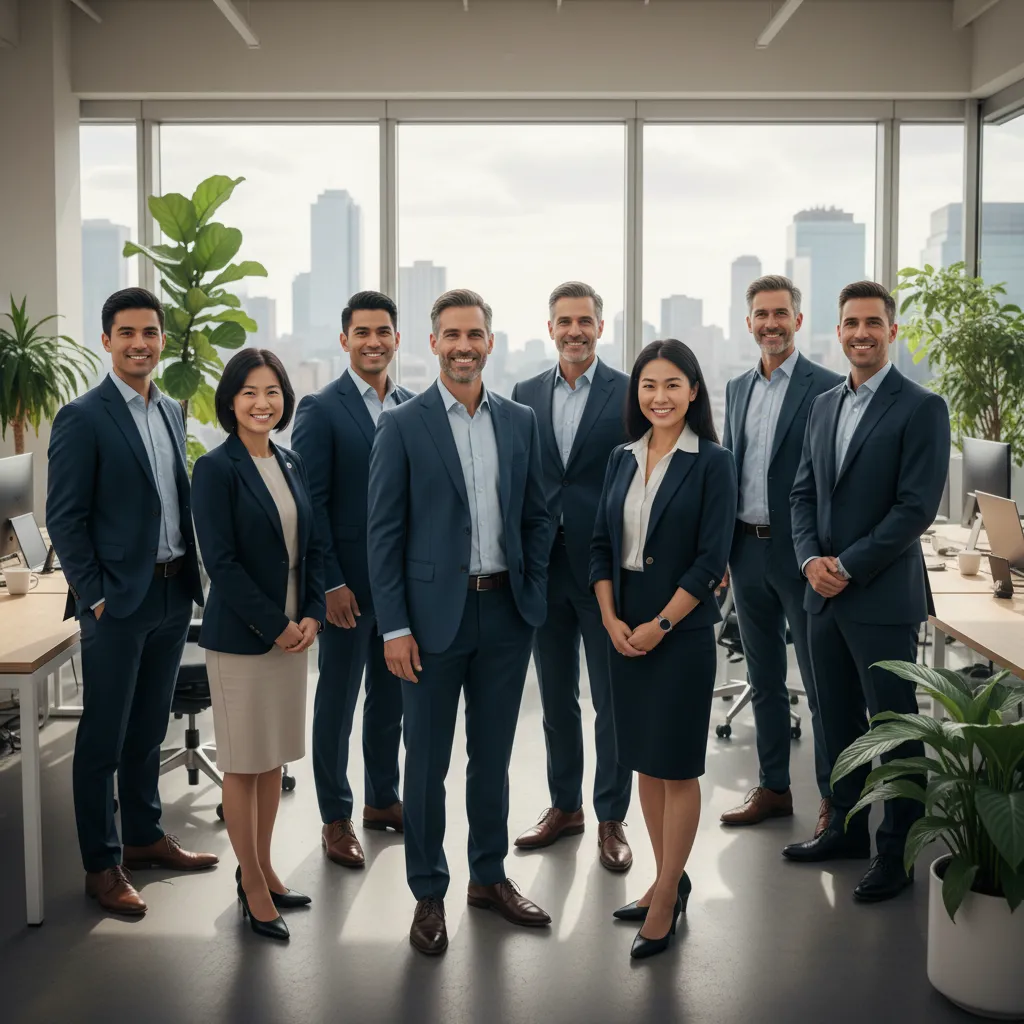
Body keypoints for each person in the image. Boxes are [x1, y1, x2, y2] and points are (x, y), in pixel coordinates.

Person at [368, 288, 553, 956]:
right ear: (434, 343)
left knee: (493, 758)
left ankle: (489, 876)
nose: (464, 346)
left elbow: (538, 512)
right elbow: (382, 535)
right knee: (426, 765)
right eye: (451, 335)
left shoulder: (520, 421)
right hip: (427, 622)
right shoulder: (403, 424)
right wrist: (393, 627)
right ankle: (427, 892)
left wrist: (531, 585)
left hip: (506, 613)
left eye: (474, 335)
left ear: (491, 343)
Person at [46, 287, 217, 918]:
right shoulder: (83, 417)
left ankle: (144, 836)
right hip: (117, 602)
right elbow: (64, 518)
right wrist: (93, 597)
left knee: (149, 728)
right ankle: (102, 863)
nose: (139, 343)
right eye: (127, 333)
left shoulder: (171, 409)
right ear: (107, 340)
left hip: (173, 593)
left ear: (162, 340)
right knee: (103, 737)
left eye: (149, 332)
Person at [783, 281, 950, 904]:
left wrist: (846, 566)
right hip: (821, 596)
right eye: (850, 322)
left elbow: (915, 509)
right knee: (836, 720)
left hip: (880, 598)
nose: (860, 333)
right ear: (838, 329)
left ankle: (897, 853)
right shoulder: (824, 405)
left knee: (896, 728)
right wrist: (807, 561)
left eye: (872, 323)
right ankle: (846, 830)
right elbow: (802, 494)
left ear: (892, 331)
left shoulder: (920, 407)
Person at [591, 339, 736, 960]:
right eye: (649, 385)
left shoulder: (713, 463)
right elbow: (600, 545)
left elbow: (710, 561)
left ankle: (667, 893)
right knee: (645, 763)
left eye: (673, 385)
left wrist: (659, 626)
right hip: (623, 633)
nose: (660, 397)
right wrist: (611, 620)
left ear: (694, 391)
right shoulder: (620, 459)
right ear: (637, 394)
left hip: (679, 636)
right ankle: (663, 879)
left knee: (677, 766)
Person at [191, 348, 325, 940]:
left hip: (294, 636)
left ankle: (266, 867)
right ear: (231, 400)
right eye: (249, 392)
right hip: (244, 640)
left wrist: (313, 614)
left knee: (272, 760)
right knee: (243, 766)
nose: (261, 403)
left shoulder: (290, 461)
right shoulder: (216, 468)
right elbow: (220, 561)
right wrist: (277, 625)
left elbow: (311, 550)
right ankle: (248, 884)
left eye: (271, 392)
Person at [511, 281, 633, 871]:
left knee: (612, 701)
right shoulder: (523, 393)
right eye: (564, 321)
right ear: (550, 326)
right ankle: (566, 806)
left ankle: (612, 816)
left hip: (605, 570)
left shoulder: (631, 393)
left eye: (585, 321)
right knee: (556, 698)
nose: (574, 331)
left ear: (599, 328)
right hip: (543, 568)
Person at [292, 291, 413, 869]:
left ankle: (382, 799)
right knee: (337, 703)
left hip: (399, 591)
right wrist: (331, 583)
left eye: (383, 331)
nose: (373, 341)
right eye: (362, 332)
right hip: (344, 592)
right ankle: (335, 817)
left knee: (390, 699)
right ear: (345, 340)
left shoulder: (414, 406)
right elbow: (309, 502)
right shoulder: (321, 408)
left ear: (396, 338)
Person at [719, 276, 843, 833]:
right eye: (760, 315)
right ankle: (773, 788)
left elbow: (833, 478)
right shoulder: (737, 388)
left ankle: (834, 799)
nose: (770, 323)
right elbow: (730, 469)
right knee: (765, 678)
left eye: (780, 313)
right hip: (745, 550)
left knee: (820, 687)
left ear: (797, 319)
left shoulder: (828, 388)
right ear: (748, 323)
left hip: (800, 555)